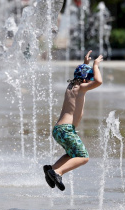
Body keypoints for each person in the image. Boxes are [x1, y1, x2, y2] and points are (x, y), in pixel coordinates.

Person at [43, 50, 104, 191]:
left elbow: (82, 76)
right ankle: (58, 172)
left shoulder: (71, 87)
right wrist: (95, 65)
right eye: (88, 79)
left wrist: (85, 64)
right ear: (84, 80)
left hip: (58, 129)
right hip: (66, 130)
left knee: (72, 154)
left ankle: (51, 169)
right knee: (83, 157)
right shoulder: (81, 87)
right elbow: (99, 81)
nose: (89, 82)